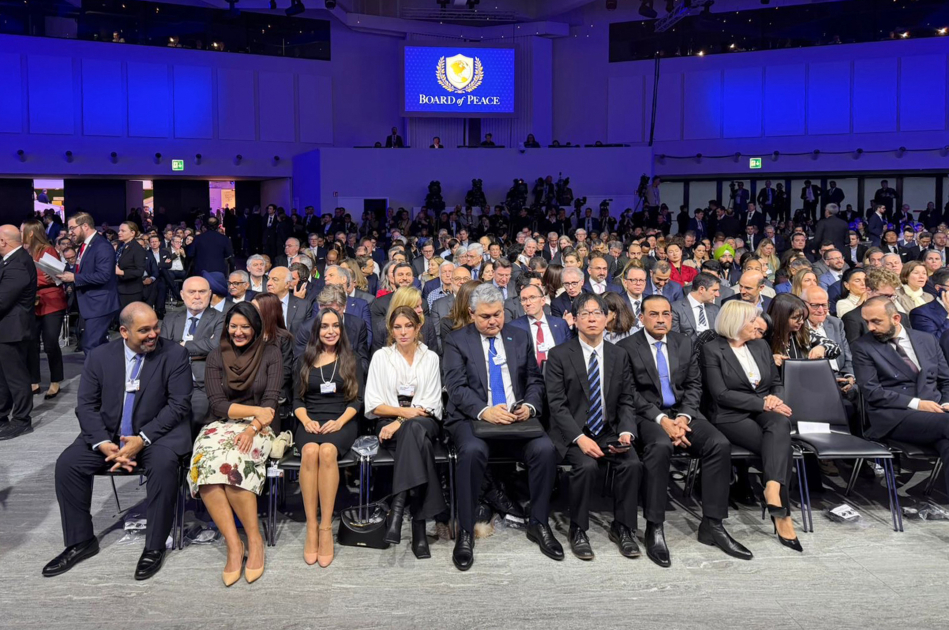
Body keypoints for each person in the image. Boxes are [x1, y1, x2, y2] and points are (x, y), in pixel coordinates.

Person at [44, 303, 192, 579]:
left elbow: (178, 405)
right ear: (124, 331)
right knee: (68, 464)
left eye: (155, 327)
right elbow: (86, 405)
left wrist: (142, 439)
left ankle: (155, 546)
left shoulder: (174, 354)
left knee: (163, 466)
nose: (153, 335)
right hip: (109, 435)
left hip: (156, 434)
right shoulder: (100, 356)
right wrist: (101, 442)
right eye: (144, 330)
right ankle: (80, 541)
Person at [619, 295, 752, 565]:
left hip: (683, 414)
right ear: (641, 318)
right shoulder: (626, 347)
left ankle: (713, 525)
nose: (660, 319)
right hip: (648, 415)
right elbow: (629, 393)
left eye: (666, 314)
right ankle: (654, 526)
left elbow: (694, 385)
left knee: (719, 444)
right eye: (653, 314)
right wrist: (661, 420)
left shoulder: (684, 343)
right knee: (659, 446)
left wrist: (683, 417)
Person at [442, 284, 561, 571]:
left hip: (515, 418)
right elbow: (455, 387)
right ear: (471, 314)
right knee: (470, 452)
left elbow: (534, 379)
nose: (493, 321)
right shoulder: (457, 340)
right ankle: (467, 531)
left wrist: (529, 407)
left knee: (545, 449)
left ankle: (539, 523)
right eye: (485, 317)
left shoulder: (518, 337)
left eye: (497, 315)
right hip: (473, 418)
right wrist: (485, 411)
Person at [189, 302, 281, 585]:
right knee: (205, 465)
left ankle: (254, 541)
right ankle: (233, 545)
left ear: (256, 329)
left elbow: (270, 403)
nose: (239, 332)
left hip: (262, 427)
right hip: (223, 423)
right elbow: (217, 404)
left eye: (245, 327)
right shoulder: (216, 356)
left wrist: (253, 425)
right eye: (234, 326)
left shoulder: (271, 353)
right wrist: (254, 412)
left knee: (236, 463)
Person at [545, 292, 642, 561]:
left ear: (607, 318)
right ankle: (578, 528)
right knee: (586, 466)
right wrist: (579, 437)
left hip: (609, 430)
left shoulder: (618, 355)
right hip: (573, 431)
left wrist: (626, 431)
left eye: (597, 313)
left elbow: (626, 399)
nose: (591, 318)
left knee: (632, 463)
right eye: (584, 314)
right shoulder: (559, 355)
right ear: (574, 320)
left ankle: (623, 527)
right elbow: (557, 405)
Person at [700, 300, 801, 552]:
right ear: (736, 322)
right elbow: (720, 394)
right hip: (729, 415)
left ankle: (772, 489)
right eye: (753, 319)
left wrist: (776, 399)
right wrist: (764, 403)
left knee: (780, 424)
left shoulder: (761, 346)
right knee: (782, 448)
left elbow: (775, 382)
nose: (760, 324)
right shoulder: (713, 349)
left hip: (764, 410)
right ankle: (782, 515)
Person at [365, 306, 445, 558]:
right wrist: (404, 417)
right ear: (391, 329)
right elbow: (374, 404)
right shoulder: (381, 356)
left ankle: (397, 510)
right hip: (390, 425)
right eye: (397, 327)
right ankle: (418, 527)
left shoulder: (430, 357)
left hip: (423, 422)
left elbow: (430, 404)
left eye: (407, 326)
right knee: (417, 443)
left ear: (418, 327)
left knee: (414, 430)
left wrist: (400, 420)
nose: (402, 332)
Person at [853, 297, 949, 497]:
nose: (870, 327)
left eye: (876, 321)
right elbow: (872, 391)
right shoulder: (863, 347)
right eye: (867, 321)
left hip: (937, 412)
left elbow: (945, 380)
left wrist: (946, 402)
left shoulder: (927, 340)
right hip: (895, 415)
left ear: (896, 318)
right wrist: (917, 404)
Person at [293, 308, 363, 568]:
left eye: (335, 326)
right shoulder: (304, 359)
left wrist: (339, 422)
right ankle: (311, 526)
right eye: (325, 326)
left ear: (341, 330)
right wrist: (305, 420)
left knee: (327, 452)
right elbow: (297, 399)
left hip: (341, 420)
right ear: (317, 331)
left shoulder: (351, 359)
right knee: (310, 451)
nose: (330, 331)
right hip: (309, 419)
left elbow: (357, 400)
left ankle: (325, 528)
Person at [159, 277, 225, 433]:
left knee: (195, 419)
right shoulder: (171, 318)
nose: (197, 296)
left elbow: (215, 346)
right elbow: (163, 349)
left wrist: (182, 345)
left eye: (202, 292)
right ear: (182, 295)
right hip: (171, 383)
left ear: (209, 294)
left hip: (201, 385)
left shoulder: (220, 317)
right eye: (192, 292)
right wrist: (201, 348)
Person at [57, 213, 119, 353]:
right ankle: (107, 374)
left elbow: (104, 276)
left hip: (100, 304)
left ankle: (94, 375)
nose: (70, 232)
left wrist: (74, 278)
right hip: (90, 304)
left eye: (72, 228)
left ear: (85, 226)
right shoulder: (85, 246)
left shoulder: (101, 246)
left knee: (91, 345)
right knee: (99, 346)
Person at [21, 220, 66, 401]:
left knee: (50, 342)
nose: (20, 232)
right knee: (31, 342)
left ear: (31, 232)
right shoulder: (25, 251)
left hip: (51, 302)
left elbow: (55, 276)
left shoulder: (48, 250)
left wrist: (28, 281)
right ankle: (34, 380)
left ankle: (56, 380)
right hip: (32, 302)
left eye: (22, 230)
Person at [0, 225, 38, 440]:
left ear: (4, 242)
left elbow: (2, 301)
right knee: (3, 378)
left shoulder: (18, 264)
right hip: (5, 329)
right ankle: (2, 416)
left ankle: (22, 420)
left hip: (13, 329)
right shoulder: (10, 261)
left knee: (15, 377)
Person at [766, 293, 841, 366]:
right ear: (780, 318)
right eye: (795, 318)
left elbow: (835, 348)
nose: (801, 322)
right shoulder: (765, 338)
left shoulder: (803, 333)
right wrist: (770, 359)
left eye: (802, 317)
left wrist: (822, 348)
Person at [510, 282, 569, 365]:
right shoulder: (514, 327)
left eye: (532, 297)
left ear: (543, 301)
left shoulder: (560, 324)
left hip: (557, 373)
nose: (528, 303)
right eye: (524, 299)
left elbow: (569, 354)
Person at [672, 272, 720, 339]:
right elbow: (675, 339)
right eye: (714, 290)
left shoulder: (715, 309)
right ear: (701, 289)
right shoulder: (676, 308)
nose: (718, 295)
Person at [266, 266, 309, 335]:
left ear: (287, 284)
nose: (268, 283)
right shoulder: (260, 303)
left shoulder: (303, 306)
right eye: (268, 279)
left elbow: (307, 334)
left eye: (275, 279)